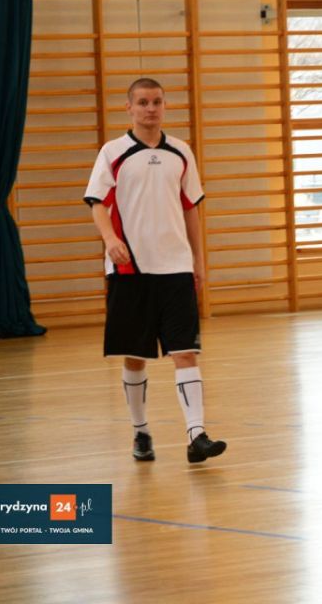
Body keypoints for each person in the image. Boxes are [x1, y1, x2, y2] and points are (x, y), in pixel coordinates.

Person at [84, 77, 226, 463]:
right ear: (129, 107)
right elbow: (97, 202)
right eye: (143, 102)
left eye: (157, 102)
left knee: (186, 351)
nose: (151, 109)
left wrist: (198, 261)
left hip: (176, 268)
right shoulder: (113, 152)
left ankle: (197, 435)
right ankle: (141, 431)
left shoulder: (181, 152)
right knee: (135, 356)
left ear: (165, 106)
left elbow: (191, 208)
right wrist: (110, 239)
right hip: (130, 270)